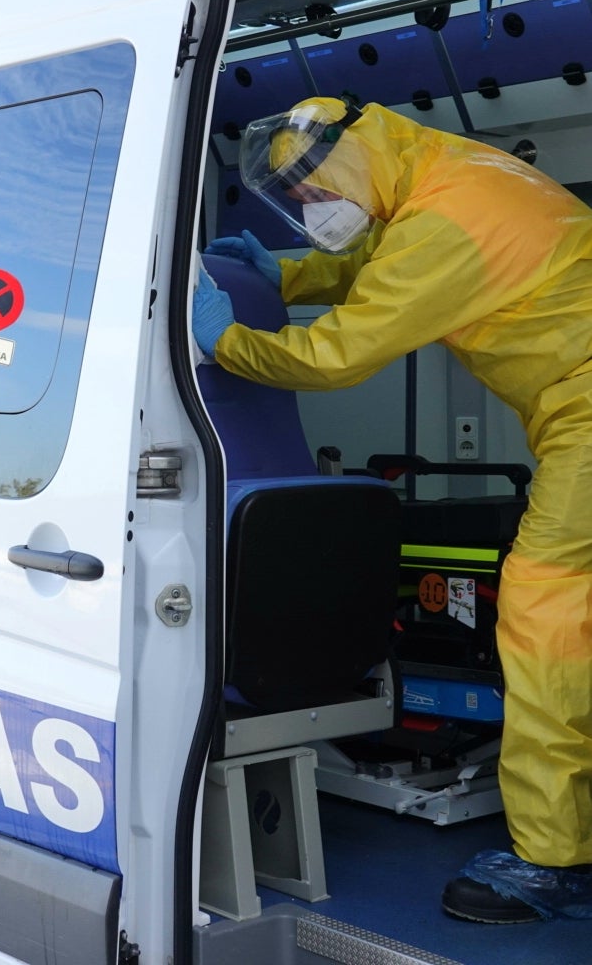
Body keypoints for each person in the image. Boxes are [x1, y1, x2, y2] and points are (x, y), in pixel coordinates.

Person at [192, 95, 592, 923]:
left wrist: (224, 339)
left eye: (307, 193)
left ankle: (553, 861)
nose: (308, 211)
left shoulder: (443, 225)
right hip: (570, 409)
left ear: (341, 155)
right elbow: (386, 255)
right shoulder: (452, 174)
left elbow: (334, 356)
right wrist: (289, 272)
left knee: (543, 613)